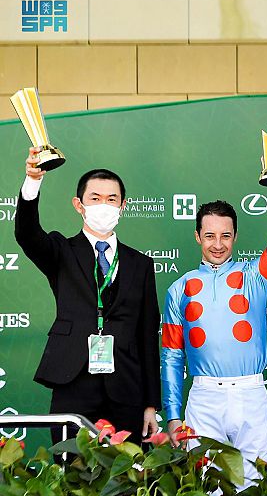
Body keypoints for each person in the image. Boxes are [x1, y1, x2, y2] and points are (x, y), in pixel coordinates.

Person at [161, 156, 267, 485]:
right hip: (203, 398)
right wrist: (173, 414)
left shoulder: (255, 277)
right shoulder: (179, 288)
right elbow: (172, 355)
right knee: (206, 489)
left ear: (235, 236)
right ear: (198, 237)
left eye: (225, 236)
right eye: (210, 236)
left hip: (251, 393)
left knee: (257, 487)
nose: (218, 244)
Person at [14, 147, 160, 445]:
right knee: (72, 465)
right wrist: (32, 181)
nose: (104, 205)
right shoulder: (61, 251)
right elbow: (26, 233)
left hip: (126, 388)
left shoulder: (140, 264)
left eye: (112, 199)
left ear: (123, 205)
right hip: (72, 381)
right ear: (78, 205)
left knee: (128, 470)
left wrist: (150, 405)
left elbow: (147, 335)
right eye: (95, 198)